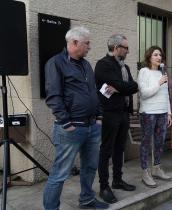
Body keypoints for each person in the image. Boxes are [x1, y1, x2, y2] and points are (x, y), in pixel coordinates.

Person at [43, 26, 108, 210]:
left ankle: (87, 200)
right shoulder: (55, 63)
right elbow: (53, 96)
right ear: (74, 43)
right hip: (71, 129)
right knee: (60, 174)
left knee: (89, 168)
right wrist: (66, 122)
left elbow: (93, 92)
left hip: (92, 127)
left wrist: (99, 116)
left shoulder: (86, 64)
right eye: (87, 43)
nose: (89, 47)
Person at [95, 34, 138, 204]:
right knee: (106, 150)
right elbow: (120, 85)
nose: (128, 51)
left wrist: (121, 88)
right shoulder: (103, 65)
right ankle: (104, 186)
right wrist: (122, 87)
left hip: (123, 112)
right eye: (125, 47)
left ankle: (117, 180)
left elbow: (133, 86)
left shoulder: (125, 67)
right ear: (115, 47)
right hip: (109, 113)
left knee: (120, 148)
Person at [137, 46, 172, 188]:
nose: (159, 57)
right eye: (155, 54)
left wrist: (169, 112)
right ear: (149, 57)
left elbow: (166, 95)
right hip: (148, 112)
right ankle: (145, 172)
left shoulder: (163, 73)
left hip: (162, 112)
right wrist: (159, 83)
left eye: (160, 55)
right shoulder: (143, 72)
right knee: (146, 143)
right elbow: (144, 93)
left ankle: (156, 168)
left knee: (159, 142)